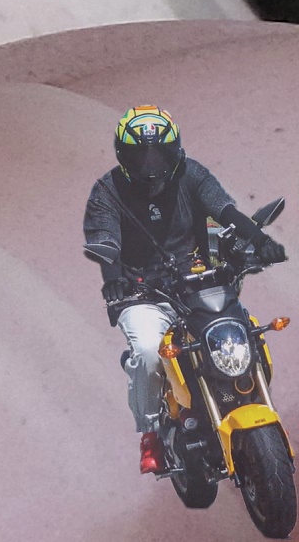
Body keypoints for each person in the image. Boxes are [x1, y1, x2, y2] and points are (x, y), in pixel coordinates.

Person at [91, 105, 260, 471]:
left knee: (247, 329)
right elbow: (105, 239)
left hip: (197, 281)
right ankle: (151, 433)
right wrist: (114, 277)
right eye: (141, 155)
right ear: (124, 155)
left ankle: (253, 398)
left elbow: (224, 210)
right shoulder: (107, 191)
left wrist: (258, 239)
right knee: (148, 352)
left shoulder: (191, 173)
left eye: (160, 153)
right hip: (142, 293)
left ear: (175, 150)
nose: (151, 165)